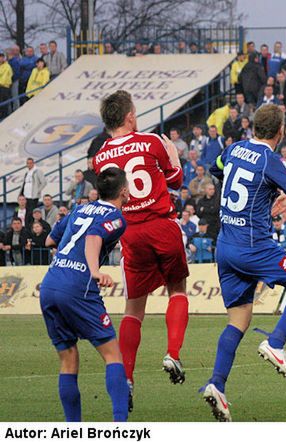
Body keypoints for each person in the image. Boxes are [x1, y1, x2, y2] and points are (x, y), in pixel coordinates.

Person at [201, 104, 286, 422]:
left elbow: (216, 168)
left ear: (254, 127)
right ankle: (276, 343)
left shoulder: (233, 148)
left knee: (238, 320)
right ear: (280, 132)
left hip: (224, 246)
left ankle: (217, 384)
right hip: (253, 246)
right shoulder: (271, 159)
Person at [93, 90, 189, 411]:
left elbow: (106, 197)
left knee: (134, 310)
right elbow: (175, 181)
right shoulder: (150, 142)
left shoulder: (100, 157)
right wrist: (174, 157)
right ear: (130, 116)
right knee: (177, 290)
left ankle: (128, 378)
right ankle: (173, 354)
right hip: (163, 225)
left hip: (130, 233)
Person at [39, 168, 130, 422]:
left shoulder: (79, 209)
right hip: (77, 287)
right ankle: (121, 427)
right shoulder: (117, 217)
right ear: (123, 191)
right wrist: (95, 271)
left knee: (68, 360)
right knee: (113, 355)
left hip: (49, 285)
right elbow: (93, 237)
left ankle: (73, 429)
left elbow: (49, 241)